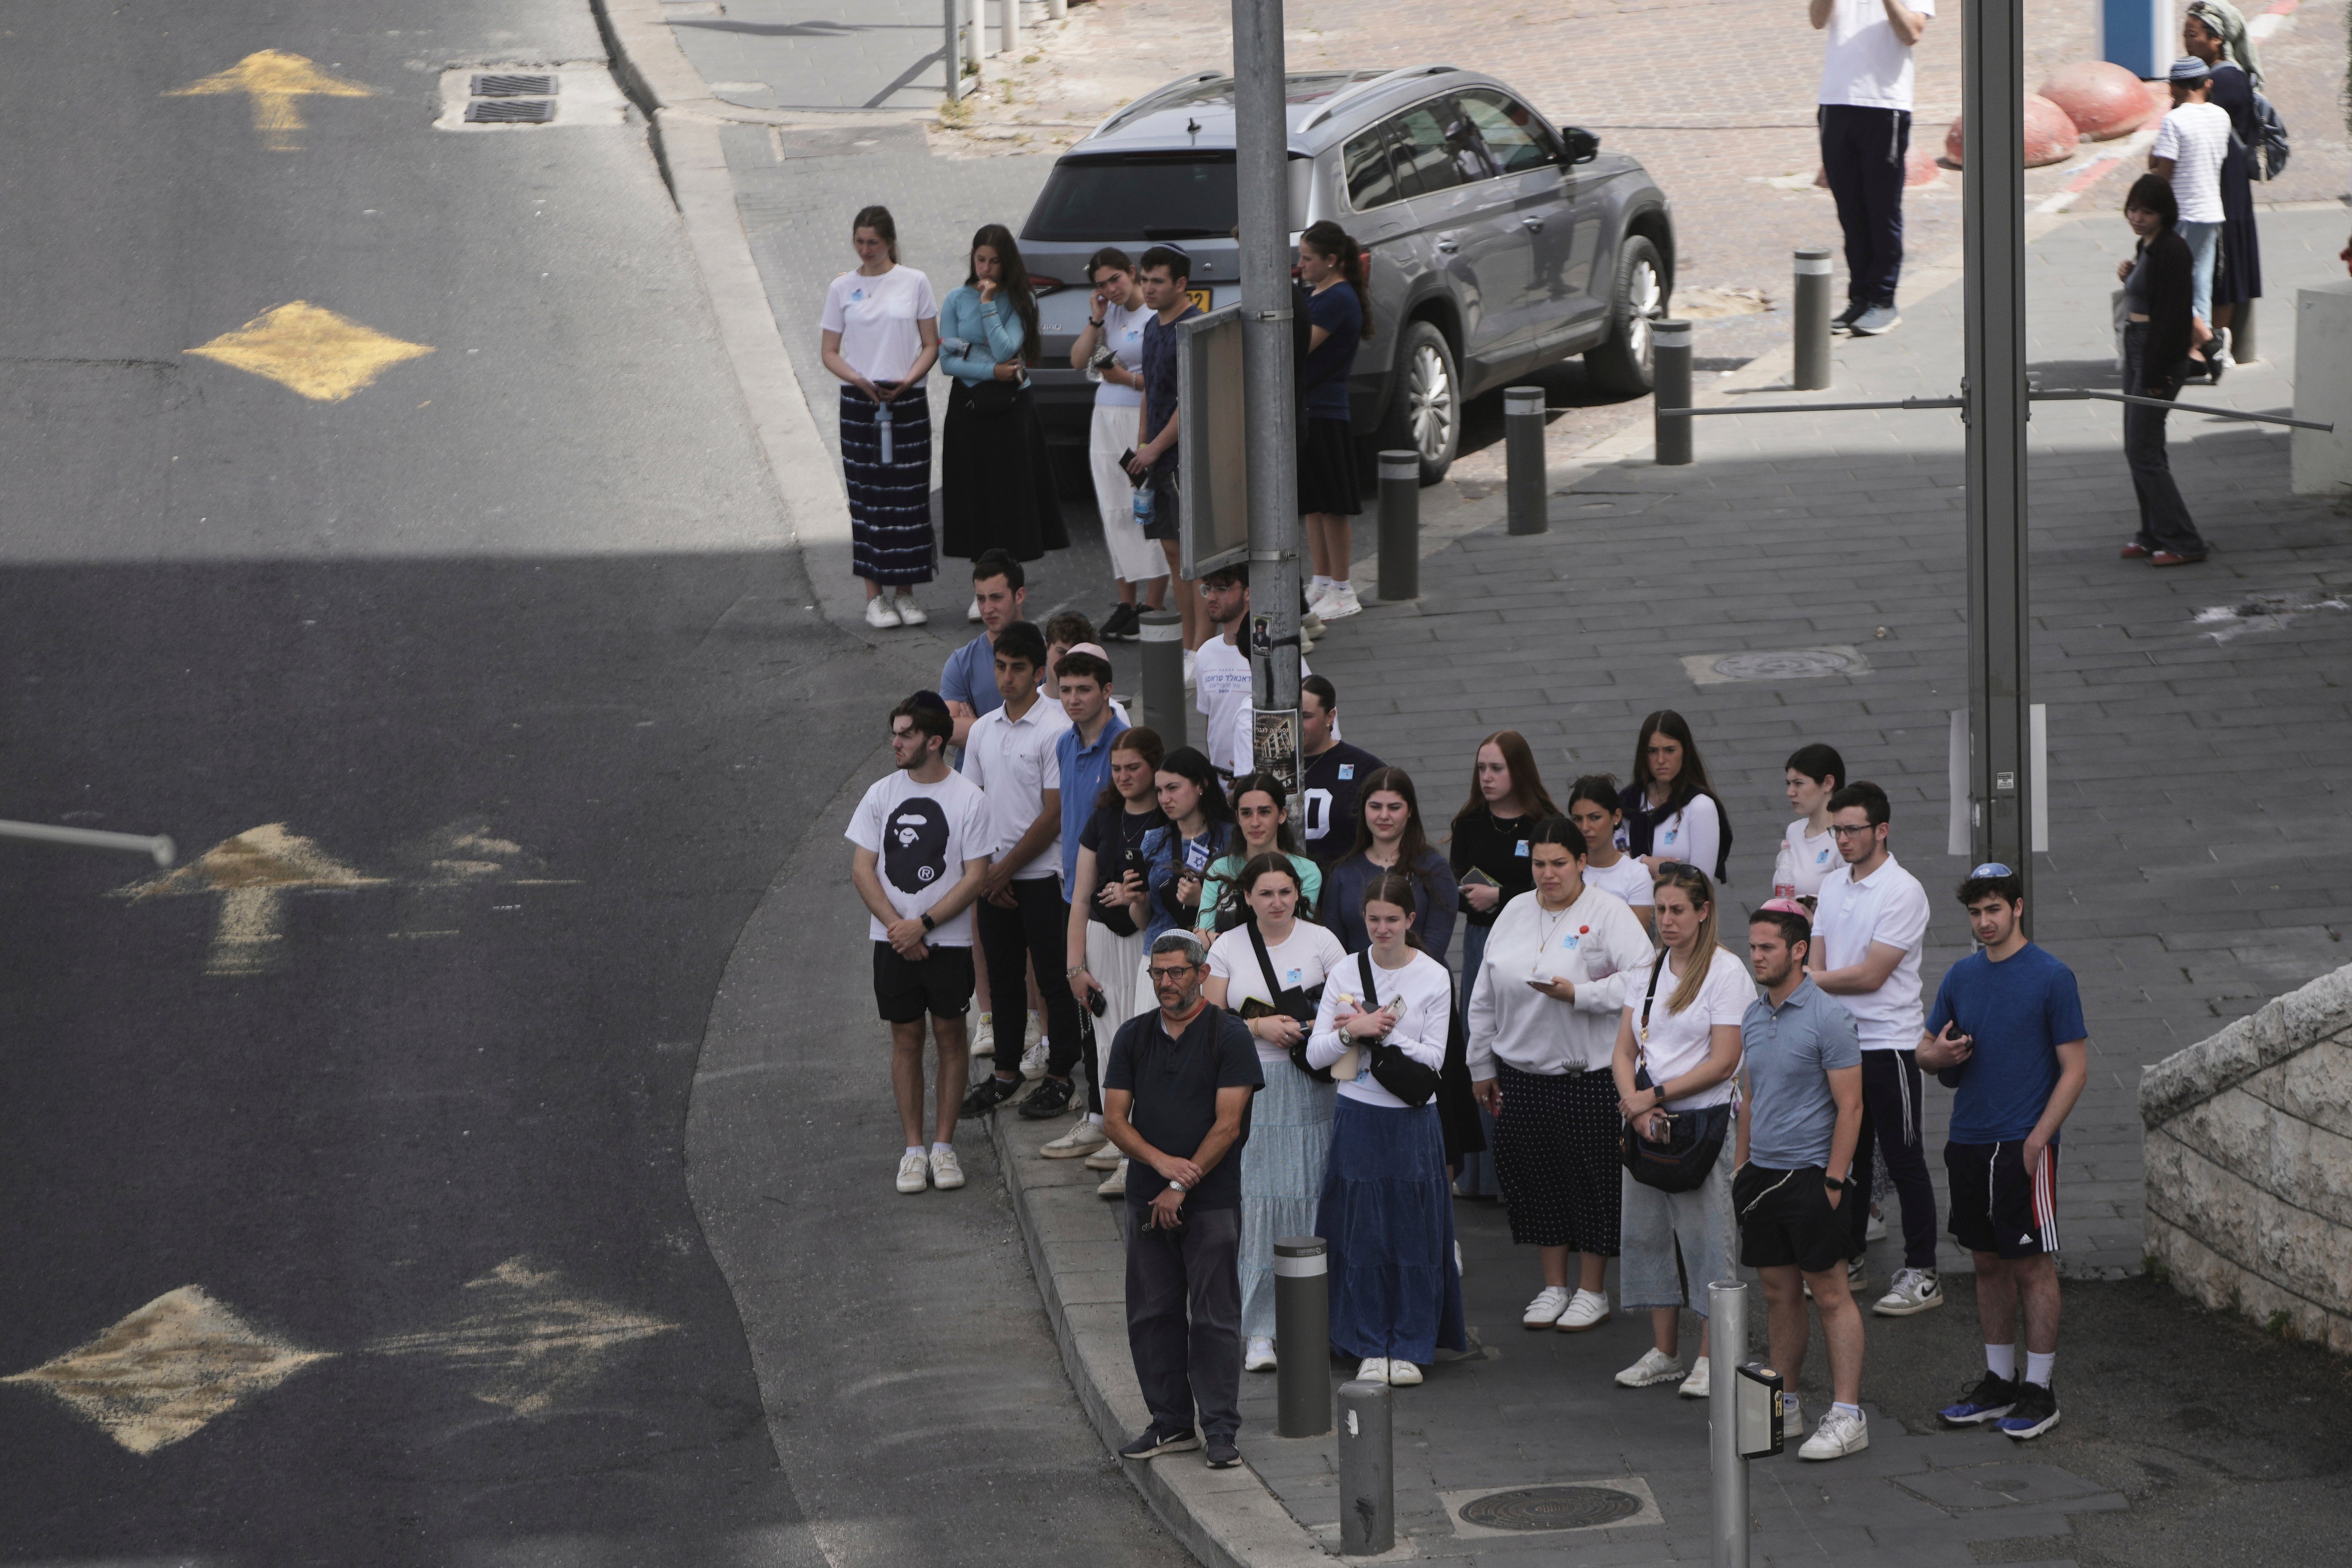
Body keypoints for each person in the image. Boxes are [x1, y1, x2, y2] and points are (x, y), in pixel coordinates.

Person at [1918, 864, 2089, 1443]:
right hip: (1968, 1140)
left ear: (2017, 907)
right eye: (1975, 912)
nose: (1984, 922)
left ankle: (2039, 1390)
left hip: (2022, 1143)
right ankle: (1998, 1382)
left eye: (1993, 909)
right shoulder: (1961, 976)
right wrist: (1939, 1056)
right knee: (1986, 1262)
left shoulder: (2052, 977)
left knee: (2032, 1264)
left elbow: (2075, 1069)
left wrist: (2039, 1139)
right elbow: (1924, 1051)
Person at [1466, 818, 1654, 1333]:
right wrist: (1480, 1064)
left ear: (1581, 863)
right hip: (1520, 1072)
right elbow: (1484, 994)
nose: (1548, 874)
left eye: (1559, 864)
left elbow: (1643, 980)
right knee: (1536, 1179)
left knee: (1592, 1182)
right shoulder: (1513, 911)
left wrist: (1581, 995)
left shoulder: (1608, 912)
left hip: (1586, 1075)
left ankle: (1592, 1289)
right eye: (1539, 864)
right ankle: (1554, 1286)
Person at [1102, 930, 1262, 1471]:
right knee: (1151, 1314)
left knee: (1215, 1317)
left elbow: (1229, 1125)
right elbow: (1115, 1120)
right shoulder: (1133, 1035)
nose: (1165, 982)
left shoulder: (1229, 1034)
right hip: (1147, 1197)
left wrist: (1180, 1184)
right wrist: (1161, 1165)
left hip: (1211, 1199)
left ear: (1201, 973)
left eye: (1176, 972)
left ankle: (1220, 1430)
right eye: (1158, 973)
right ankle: (1170, 1423)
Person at [1308, 872, 1468, 1386]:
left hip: (1413, 1119)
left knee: (1412, 1236)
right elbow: (1317, 1052)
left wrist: (1381, 1033)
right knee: (1362, 1236)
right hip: (1358, 1113)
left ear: (1410, 920)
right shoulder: (1346, 970)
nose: (1382, 928)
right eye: (1373, 919)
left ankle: (1411, 1343)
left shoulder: (1433, 974)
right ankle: (1368, 1342)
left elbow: (1436, 1058)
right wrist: (1352, 1032)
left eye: (1392, 920)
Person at [1734, 901, 1871, 1460]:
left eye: (1767, 947)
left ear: (1797, 951)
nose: (1756, 956)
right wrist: (1740, 1168)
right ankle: (1785, 1404)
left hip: (1812, 1177)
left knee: (1831, 1294)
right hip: (1761, 1177)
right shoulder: (1752, 1015)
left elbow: (1852, 1106)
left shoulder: (1829, 1017)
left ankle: (1847, 1414)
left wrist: (1833, 1183)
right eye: (1752, 946)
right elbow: (1749, 1097)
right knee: (1778, 1293)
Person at [1204, 854, 1347, 1371]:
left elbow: (1346, 1009)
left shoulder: (1322, 941)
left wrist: (1309, 1028)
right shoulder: (1227, 946)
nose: (1277, 902)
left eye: (1285, 892)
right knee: (1261, 1202)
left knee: (1314, 1199)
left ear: (1297, 893)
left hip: (1313, 1085)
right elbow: (1210, 1019)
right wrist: (1257, 1027)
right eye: (1265, 893)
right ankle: (1259, 1330)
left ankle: (1316, 1322)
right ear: (1247, 897)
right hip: (1255, 1086)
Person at [1609, 863, 1747, 1398]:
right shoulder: (1649, 969)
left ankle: (1714, 1356)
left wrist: (1654, 1097)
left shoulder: (1726, 972)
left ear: (1703, 911)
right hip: (1649, 1122)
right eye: (1661, 909)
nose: (1666, 920)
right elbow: (1623, 1051)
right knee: (1646, 1234)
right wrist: (1635, 1107)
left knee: (1710, 1239)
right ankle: (1665, 1351)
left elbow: (1724, 1061)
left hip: (1702, 1126)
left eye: (1677, 910)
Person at [846, 695, 992, 1194]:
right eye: (895, 733)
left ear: (934, 741)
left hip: (947, 942)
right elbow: (862, 869)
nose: (896, 743)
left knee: (951, 1038)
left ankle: (944, 1147)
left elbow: (975, 876)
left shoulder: (968, 798)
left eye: (905, 734)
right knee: (905, 1039)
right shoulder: (880, 794)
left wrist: (923, 924)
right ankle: (913, 1151)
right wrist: (898, 928)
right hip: (893, 942)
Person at [1808, 780, 1941, 1314]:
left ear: (1881, 830)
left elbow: (1871, 975)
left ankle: (1923, 1272)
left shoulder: (1903, 891)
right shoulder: (1831, 885)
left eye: (1852, 830)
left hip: (1890, 1045)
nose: (1842, 839)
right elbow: (1818, 960)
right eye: (1836, 830)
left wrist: (1808, 982)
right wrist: (1812, 982)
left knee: (1905, 1158)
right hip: (1842, 1044)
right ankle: (1851, 1257)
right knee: (1850, 1157)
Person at [958, 621, 1085, 1121]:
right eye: (1000, 666)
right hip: (996, 879)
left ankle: (1060, 1077)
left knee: (1055, 979)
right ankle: (1006, 1073)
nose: (1006, 677)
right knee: (1004, 979)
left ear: (1038, 673)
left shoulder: (1056, 729)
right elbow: (972, 806)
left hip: (1044, 877)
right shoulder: (982, 730)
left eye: (1017, 668)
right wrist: (988, 870)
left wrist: (1002, 870)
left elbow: (1054, 814)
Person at [1449, 731, 1561, 1197]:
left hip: (1532, 942)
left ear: (1519, 771)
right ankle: (1481, 1174)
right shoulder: (1469, 822)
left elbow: (1556, 888)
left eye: (1496, 768)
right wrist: (1474, 898)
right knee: (1480, 1040)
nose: (1487, 777)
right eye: (1482, 768)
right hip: (1482, 942)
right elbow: (1456, 885)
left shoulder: (1543, 824)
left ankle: (1524, 1169)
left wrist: (1500, 896)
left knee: (1525, 1036)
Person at [820, 205, 942, 630]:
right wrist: (858, 379)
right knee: (867, 497)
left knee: (909, 496)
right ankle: (874, 596)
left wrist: (908, 380)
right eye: (860, 242)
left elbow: (930, 344)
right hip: (860, 402)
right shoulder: (842, 288)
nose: (866, 250)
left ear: (889, 242)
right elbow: (829, 352)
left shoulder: (914, 281)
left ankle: (905, 592)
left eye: (873, 242)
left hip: (906, 399)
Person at [1057, 727, 1167, 1163]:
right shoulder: (1103, 818)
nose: (1123, 776)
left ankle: (1142, 1142)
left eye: (1133, 767)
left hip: (1147, 938)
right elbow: (1080, 899)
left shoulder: (1167, 818)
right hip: (1102, 939)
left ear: (1154, 767)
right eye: (1117, 768)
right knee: (1107, 1039)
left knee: (1147, 1033)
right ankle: (1115, 1133)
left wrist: (1135, 897)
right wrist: (1074, 968)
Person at [939, 223, 1068, 594]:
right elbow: (947, 361)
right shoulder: (954, 299)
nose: (986, 268)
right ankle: (982, 585)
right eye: (980, 260)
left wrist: (987, 304)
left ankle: (1008, 585)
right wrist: (991, 372)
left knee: (1009, 494)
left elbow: (1005, 349)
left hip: (1011, 408)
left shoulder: (1021, 299)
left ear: (1007, 262)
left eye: (994, 261)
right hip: (969, 404)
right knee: (974, 491)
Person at [942, 550, 1031, 1063]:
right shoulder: (962, 659)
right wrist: (998, 724)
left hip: (1029, 802)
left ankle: (1035, 1018)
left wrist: (975, 723)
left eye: (997, 597)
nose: (988, 607)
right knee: (980, 912)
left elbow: (1052, 715)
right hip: (976, 806)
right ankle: (991, 1015)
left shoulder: (1039, 651)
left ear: (1019, 595)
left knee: (1032, 912)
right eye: (980, 598)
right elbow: (945, 726)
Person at [1811, 0, 1932, 336]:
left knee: (1881, 209)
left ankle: (1883, 300)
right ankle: (1860, 299)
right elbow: (1817, 20)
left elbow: (1912, 33)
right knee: (1850, 211)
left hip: (1885, 105)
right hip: (1835, 102)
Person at [1069, 247, 1168, 640]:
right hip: (1105, 418)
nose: (1111, 289)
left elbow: (1165, 380)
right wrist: (1095, 318)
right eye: (1102, 285)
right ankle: (1126, 603)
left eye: (1116, 279)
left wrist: (1125, 379)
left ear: (1132, 272)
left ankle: (1154, 604)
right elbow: (1078, 360)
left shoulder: (1154, 315)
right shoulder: (1107, 314)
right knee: (1113, 509)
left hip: (1138, 417)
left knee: (1144, 506)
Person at [2112, 175, 2210, 567]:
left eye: (2147, 212)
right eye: (2133, 210)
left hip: (2156, 353)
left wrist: (2156, 374)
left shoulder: (2172, 249)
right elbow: (2151, 293)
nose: (2137, 218)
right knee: (2142, 447)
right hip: (2138, 346)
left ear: (2163, 214)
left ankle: (2183, 541)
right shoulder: (2149, 246)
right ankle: (2153, 533)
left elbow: (2172, 316)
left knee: (2142, 449)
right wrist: (2131, 277)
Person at [1129, 247, 1207, 659]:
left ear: (1181, 284)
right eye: (1144, 280)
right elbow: (1151, 392)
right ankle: (1188, 644)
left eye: (1157, 281)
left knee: (1195, 558)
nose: (1148, 288)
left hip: (1185, 460)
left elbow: (1189, 401)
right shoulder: (1151, 326)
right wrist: (1143, 446)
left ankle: (1202, 646)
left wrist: (1156, 448)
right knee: (1172, 552)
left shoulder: (1192, 329)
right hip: (1157, 459)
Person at [1297, 221, 1371, 622]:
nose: (1301, 265)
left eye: (1308, 259)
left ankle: (1342, 587)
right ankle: (1322, 580)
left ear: (1331, 260)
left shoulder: (1337, 299)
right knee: (1314, 504)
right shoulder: (1318, 294)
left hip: (1325, 409)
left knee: (1332, 505)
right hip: (1310, 407)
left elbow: (1300, 346)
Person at [2183, 2, 2264, 365]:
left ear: (2217, 39)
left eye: (2193, 35)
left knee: (2222, 261)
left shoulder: (2225, 79)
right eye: (2185, 35)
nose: (2186, 42)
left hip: (2223, 181)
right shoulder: (2215, 75)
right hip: (2219, 177)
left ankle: (2217, 342)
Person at [1191, 562, 1320, 785]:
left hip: (1266, 784)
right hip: (1222, 784)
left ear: (1249, 593)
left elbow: (1310, 712)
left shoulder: (1276, 652)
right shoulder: (1205, 653)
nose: (1211, 597)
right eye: (1208, 589)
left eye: (1222, 589)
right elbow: (1212, 721)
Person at [1323, 767, 1458, 961]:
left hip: (1422, 976)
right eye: (1375, 807)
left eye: (1394, 808)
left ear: (1410, 811)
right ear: (1364, 809)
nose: (1384, 815)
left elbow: (1435, 947)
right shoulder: (1343, 872)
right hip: (1357, 978)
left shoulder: (1435, 869)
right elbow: (1334, 950)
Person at [2149, 59, 2232, 353]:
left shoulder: (2174, 121)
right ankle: (2200, 352)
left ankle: (2206, 341)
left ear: (2173, 87)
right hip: (2211, 211)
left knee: (2168, 284)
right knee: (2200, 284)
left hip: (2182, 213)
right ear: (2207, 84)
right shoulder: (2221, 116)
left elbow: (2164, 174)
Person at [1197, 773, 1324, 939]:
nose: (1255, 822)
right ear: (1238, 817)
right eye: (1246, 813)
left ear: (1282, 815)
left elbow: (1295, 936)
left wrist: (1220, 940)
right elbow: (1202, 938)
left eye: (1264, 812)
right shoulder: (1219, 869)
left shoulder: (1307, 872)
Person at [1619, 711, 1731, 883]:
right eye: (1652, 751)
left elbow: (1701, 884)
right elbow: (1605, 862)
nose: (1661, 760)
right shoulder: (1628, 801)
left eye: (1669, 750)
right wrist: (1644, 863)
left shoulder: (1700, 806)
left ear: (1685, 752)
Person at [1299, 676, 1382, 866]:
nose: (1295, 723)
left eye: (1305, 716)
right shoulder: (1271, 766)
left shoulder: (1366, 769)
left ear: (1330, 717)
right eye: (1292, 714)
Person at [1565, 776, 1654, 935]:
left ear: (1617, 817)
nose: (1585, 827)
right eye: (1578, 819)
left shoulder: (1636, 874)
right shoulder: (1565, 869)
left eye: (1595, 817)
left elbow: (1637, 940)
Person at [1772, 743, 1847, 908]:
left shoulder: (1845, 839)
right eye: (1789, 784)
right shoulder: (1794, 830)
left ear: (1828, 783)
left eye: (1799, 783)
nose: (1790, 792)